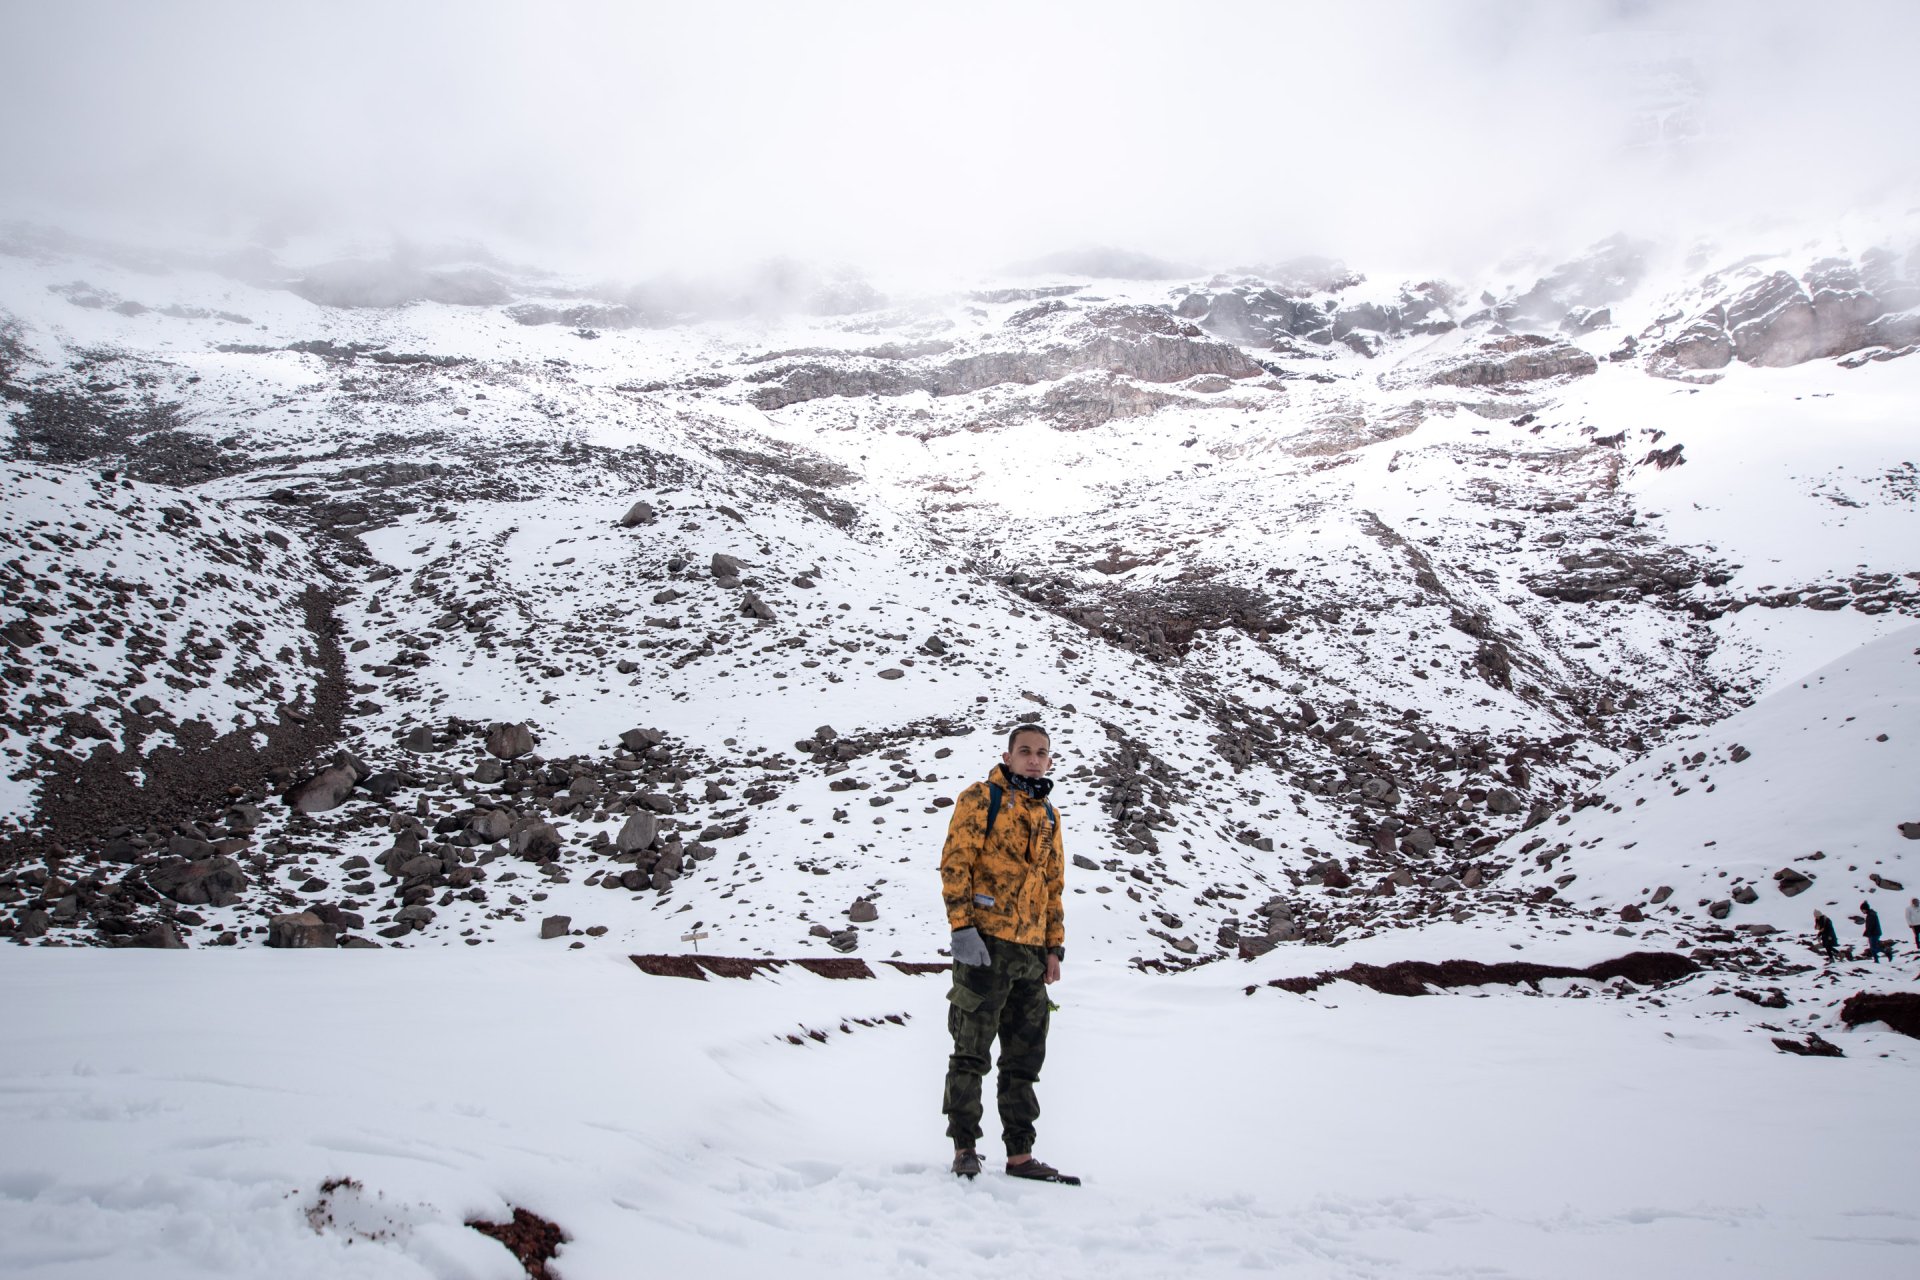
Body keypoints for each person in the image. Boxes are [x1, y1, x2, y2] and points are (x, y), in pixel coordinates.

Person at [938, 723, 1076, 1185]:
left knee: (1023, 1059)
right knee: (970, 1053)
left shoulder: (1050, 816)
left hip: (1032, 954)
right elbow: (957, 863)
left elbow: (1054, 887)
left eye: (1041, 753)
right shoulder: (981, 799)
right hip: (986, 946)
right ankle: (965, 1147)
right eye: (1025, 752)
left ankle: (1021, 1155)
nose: (1033, 760)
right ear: (1008, 755)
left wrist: (1053, 947)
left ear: (1050, 760)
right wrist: (962, 928)